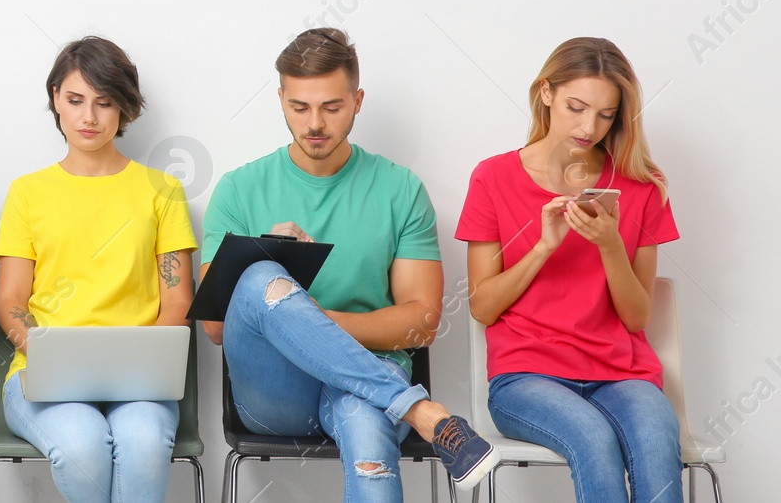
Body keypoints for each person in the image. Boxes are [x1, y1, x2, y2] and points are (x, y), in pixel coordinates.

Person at [200, 28, 495, 500]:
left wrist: (306, 319)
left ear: (357, 101)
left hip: (369, 386)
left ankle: (399, 403)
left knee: (368, 436)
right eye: (299, 107)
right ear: (280, 99)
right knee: (259, 277)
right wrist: (268, 258)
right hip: (276, 395)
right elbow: (215, 326)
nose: (315, 123)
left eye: (332, 107)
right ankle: (422, 411)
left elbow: (421, 323)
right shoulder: (238, 189)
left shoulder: (400, 189)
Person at [457, 38, 683, 503]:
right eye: (576, 107)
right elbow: (482, 306)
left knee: (657, 440)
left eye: (605, 115)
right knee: (593, 438)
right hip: (526, 376)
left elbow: (637, 317)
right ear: (545, 93)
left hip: (622, 373)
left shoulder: (641, 188)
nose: (589, 127)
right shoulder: (492, 177)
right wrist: (543, 246)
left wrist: (609, 245)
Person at [0, 37, 197, 503]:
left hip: (142, 381)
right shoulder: (28, 193)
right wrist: (46, 356)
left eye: (105, 103)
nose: (89, 117)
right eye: (75, 100)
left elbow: (177, 299)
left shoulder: (161, 190)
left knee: (144, 443)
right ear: (55, 101)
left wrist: (145, 370)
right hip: (43, 379)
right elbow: (11, 303)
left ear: (123, 108)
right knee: (83, 445)